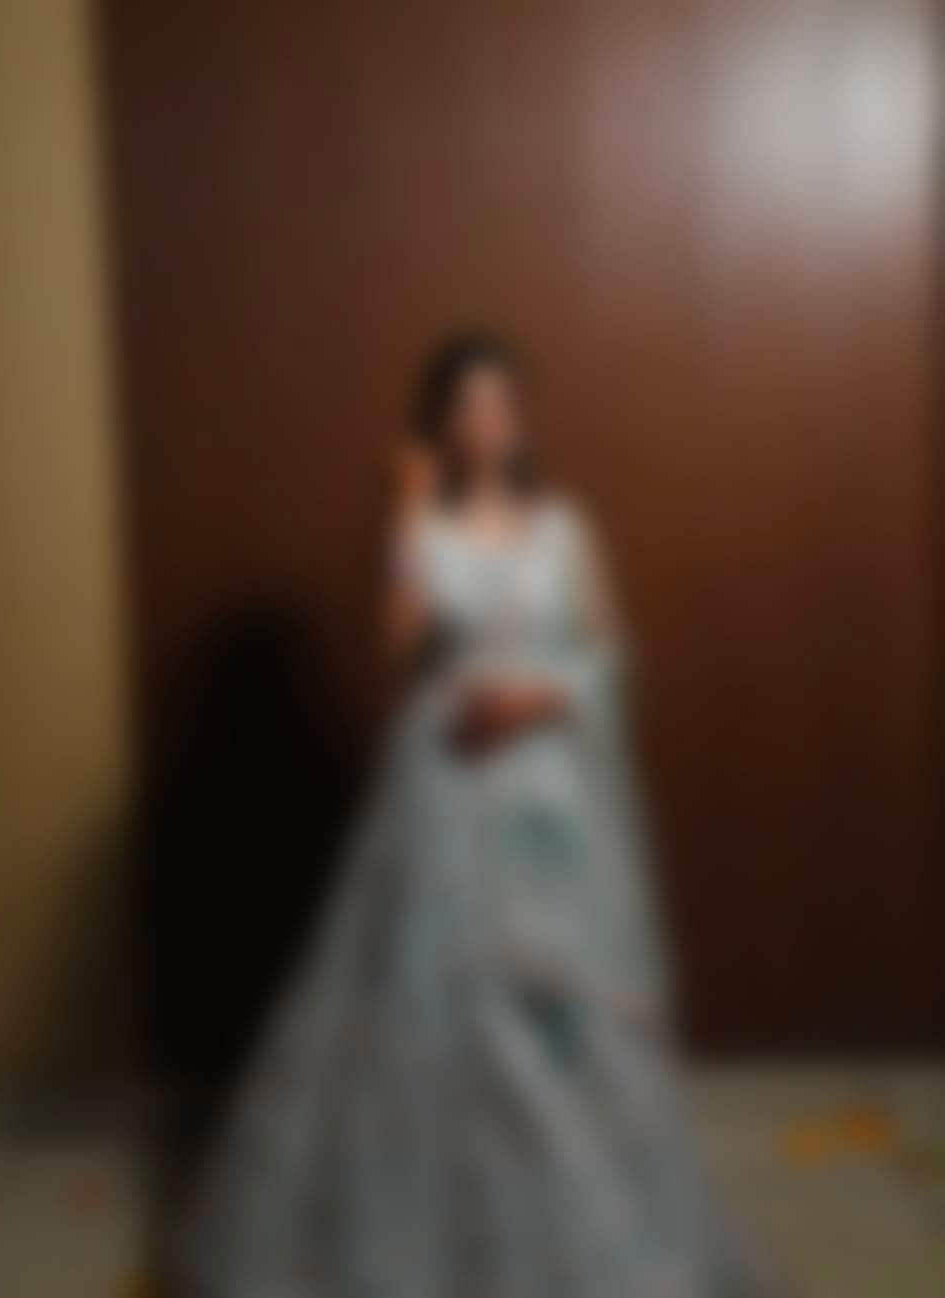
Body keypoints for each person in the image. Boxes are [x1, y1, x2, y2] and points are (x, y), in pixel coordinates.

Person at [175, 331, 773, 1298]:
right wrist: (406, 507)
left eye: (499, 402)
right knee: (431, 997)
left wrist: (540, 698)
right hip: (445, 779)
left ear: (520, 418)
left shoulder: (564, 527)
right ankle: (429, 1240)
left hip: (546, 786)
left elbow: (609, 652)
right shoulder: (424, 528)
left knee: (557, 1003)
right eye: (463, 405)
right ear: (440, 425)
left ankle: (583, 1240)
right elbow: (401, 643)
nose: (484, 420)